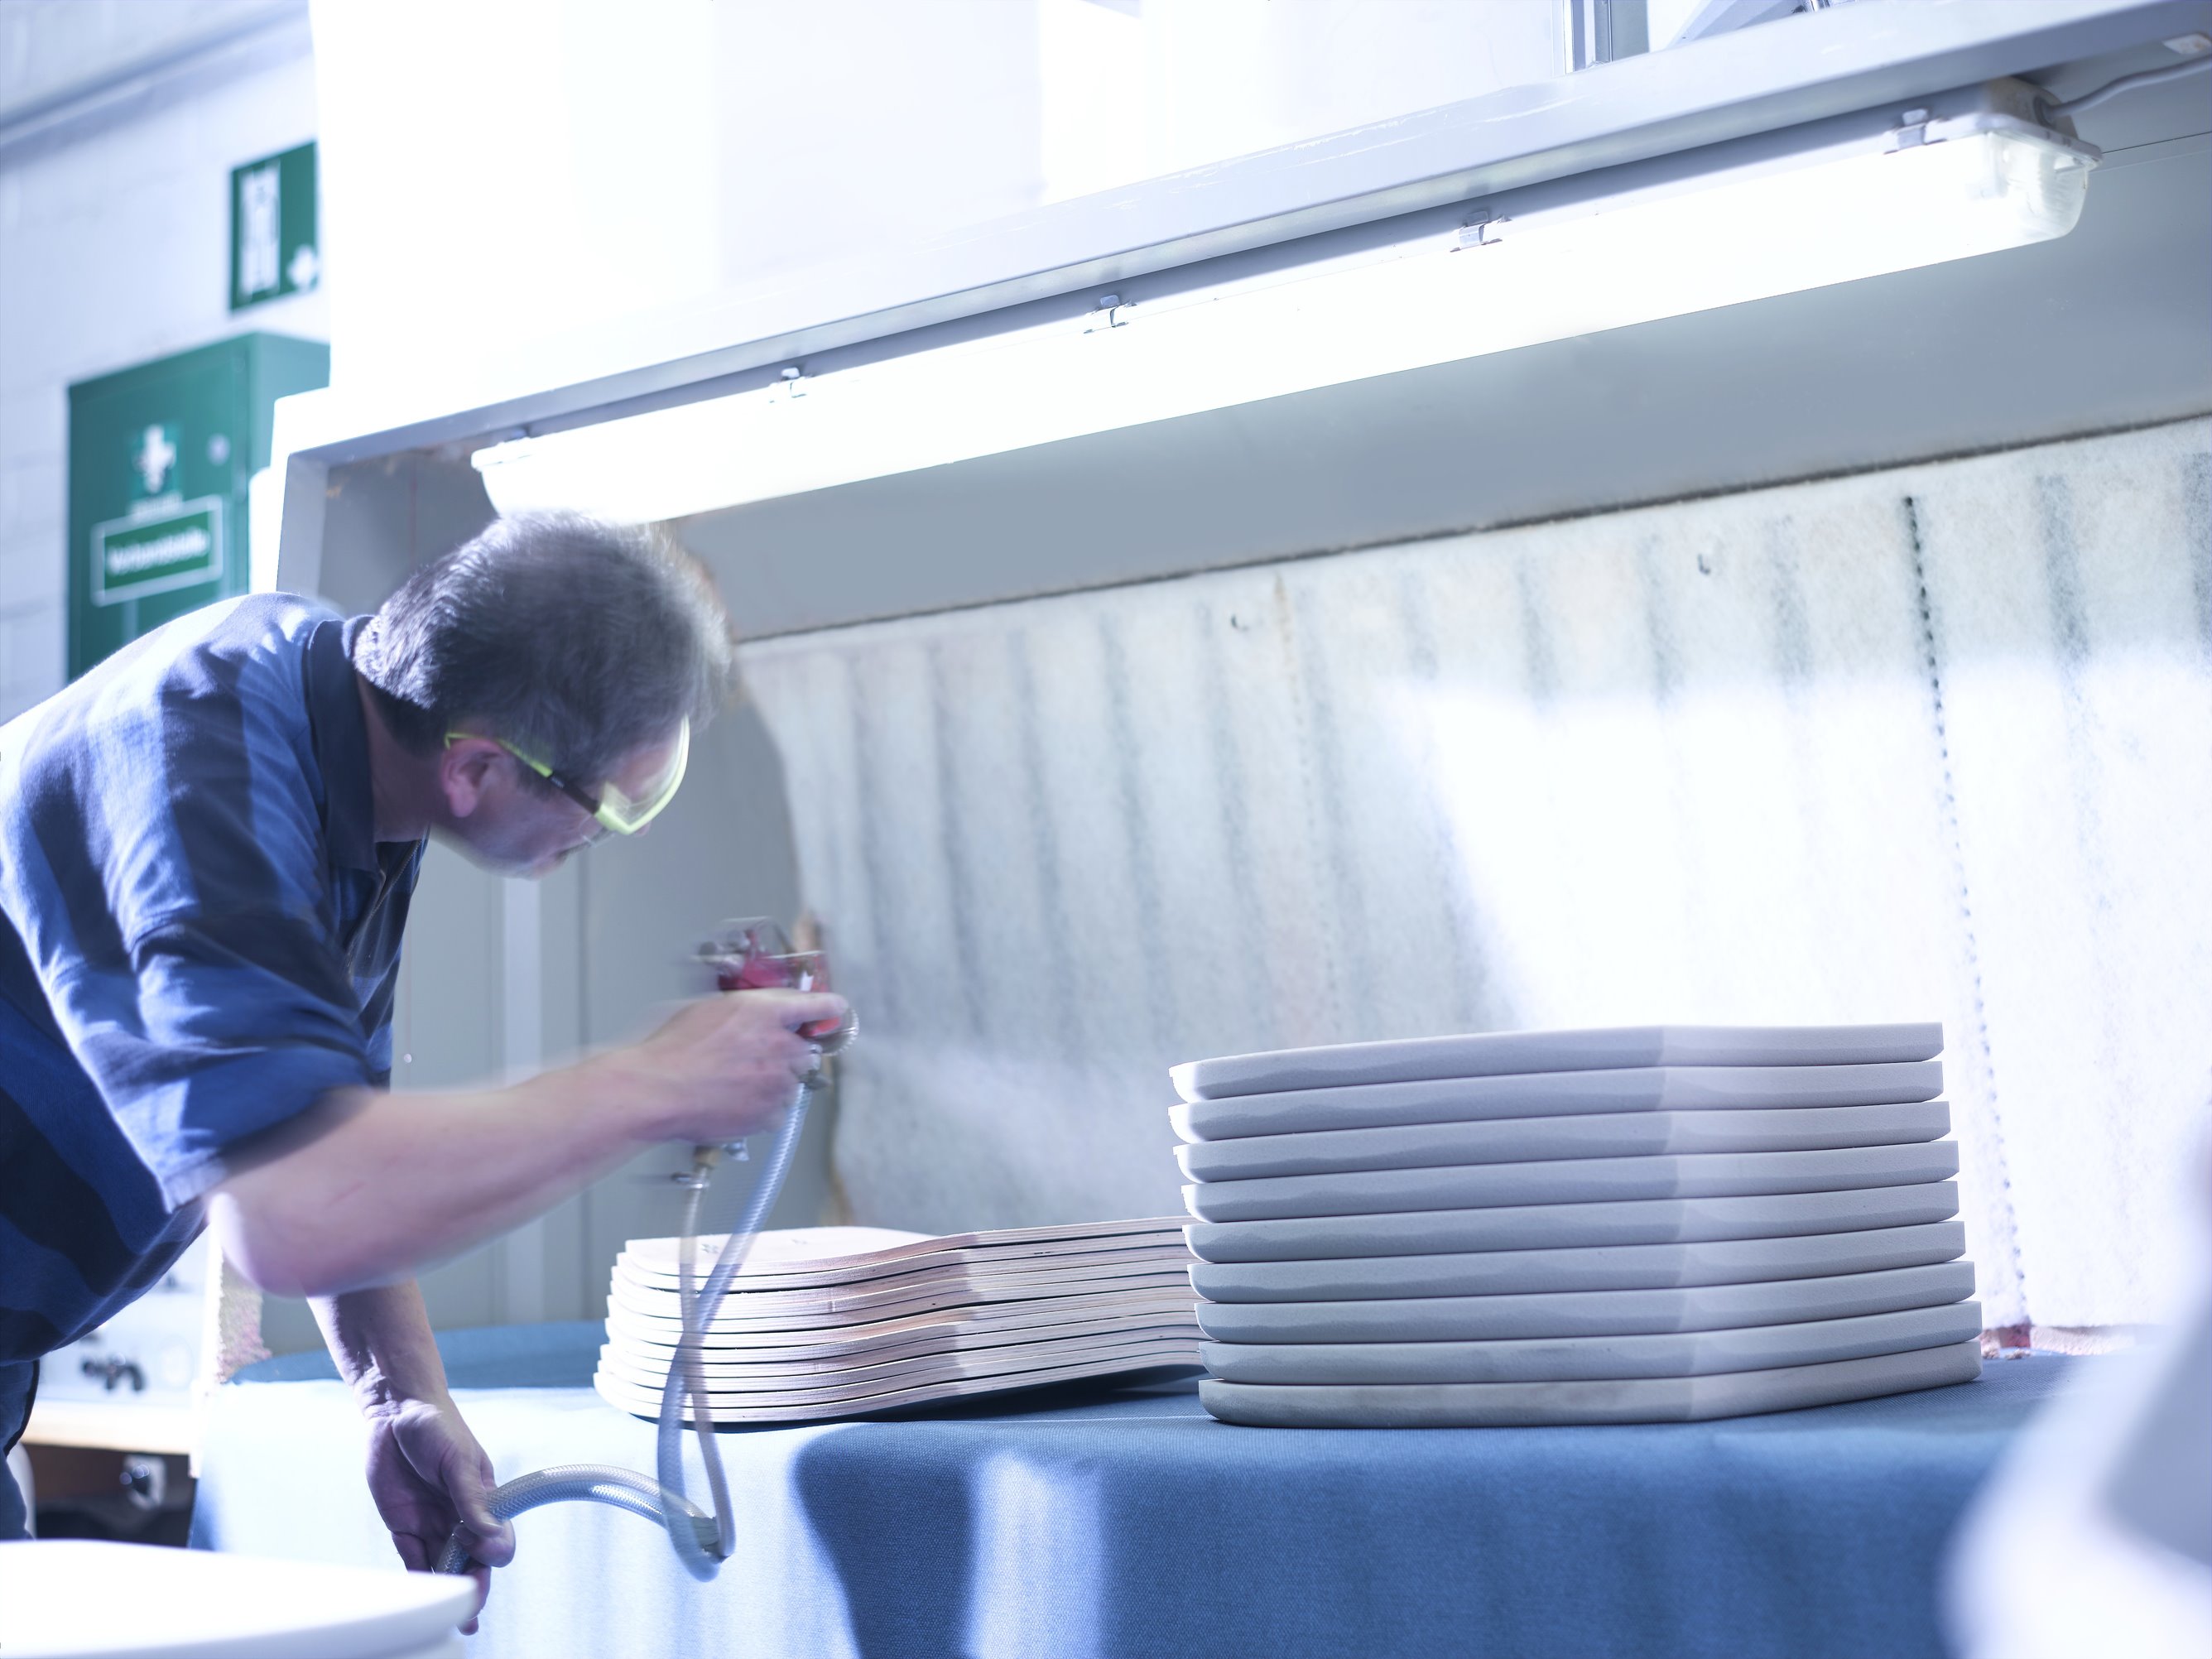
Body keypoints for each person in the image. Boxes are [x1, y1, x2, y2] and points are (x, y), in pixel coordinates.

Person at [0, 512, 844, 1628]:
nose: (602, 835)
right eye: (606, 808)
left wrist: (398, 1393)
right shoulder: (204, 765)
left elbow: (328, 1119)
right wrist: (657, 1083)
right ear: (477, 769)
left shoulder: (329, 746)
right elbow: (292, 1215)